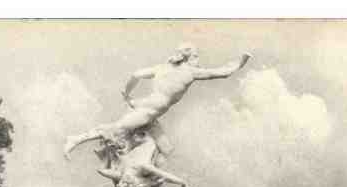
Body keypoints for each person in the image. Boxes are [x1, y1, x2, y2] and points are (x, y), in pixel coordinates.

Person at [64, 44, 251, 159]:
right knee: (116, 129)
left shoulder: (161, 68)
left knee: (166, 149)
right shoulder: (190, 71)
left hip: (148, 110)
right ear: (187, 57)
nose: (198, 59)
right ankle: (75, 139)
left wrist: (127, 93)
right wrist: (241, 62)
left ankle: (146, 183)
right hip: (147, 112)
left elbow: (136, 74)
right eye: (196, 56)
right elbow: (223, 73)